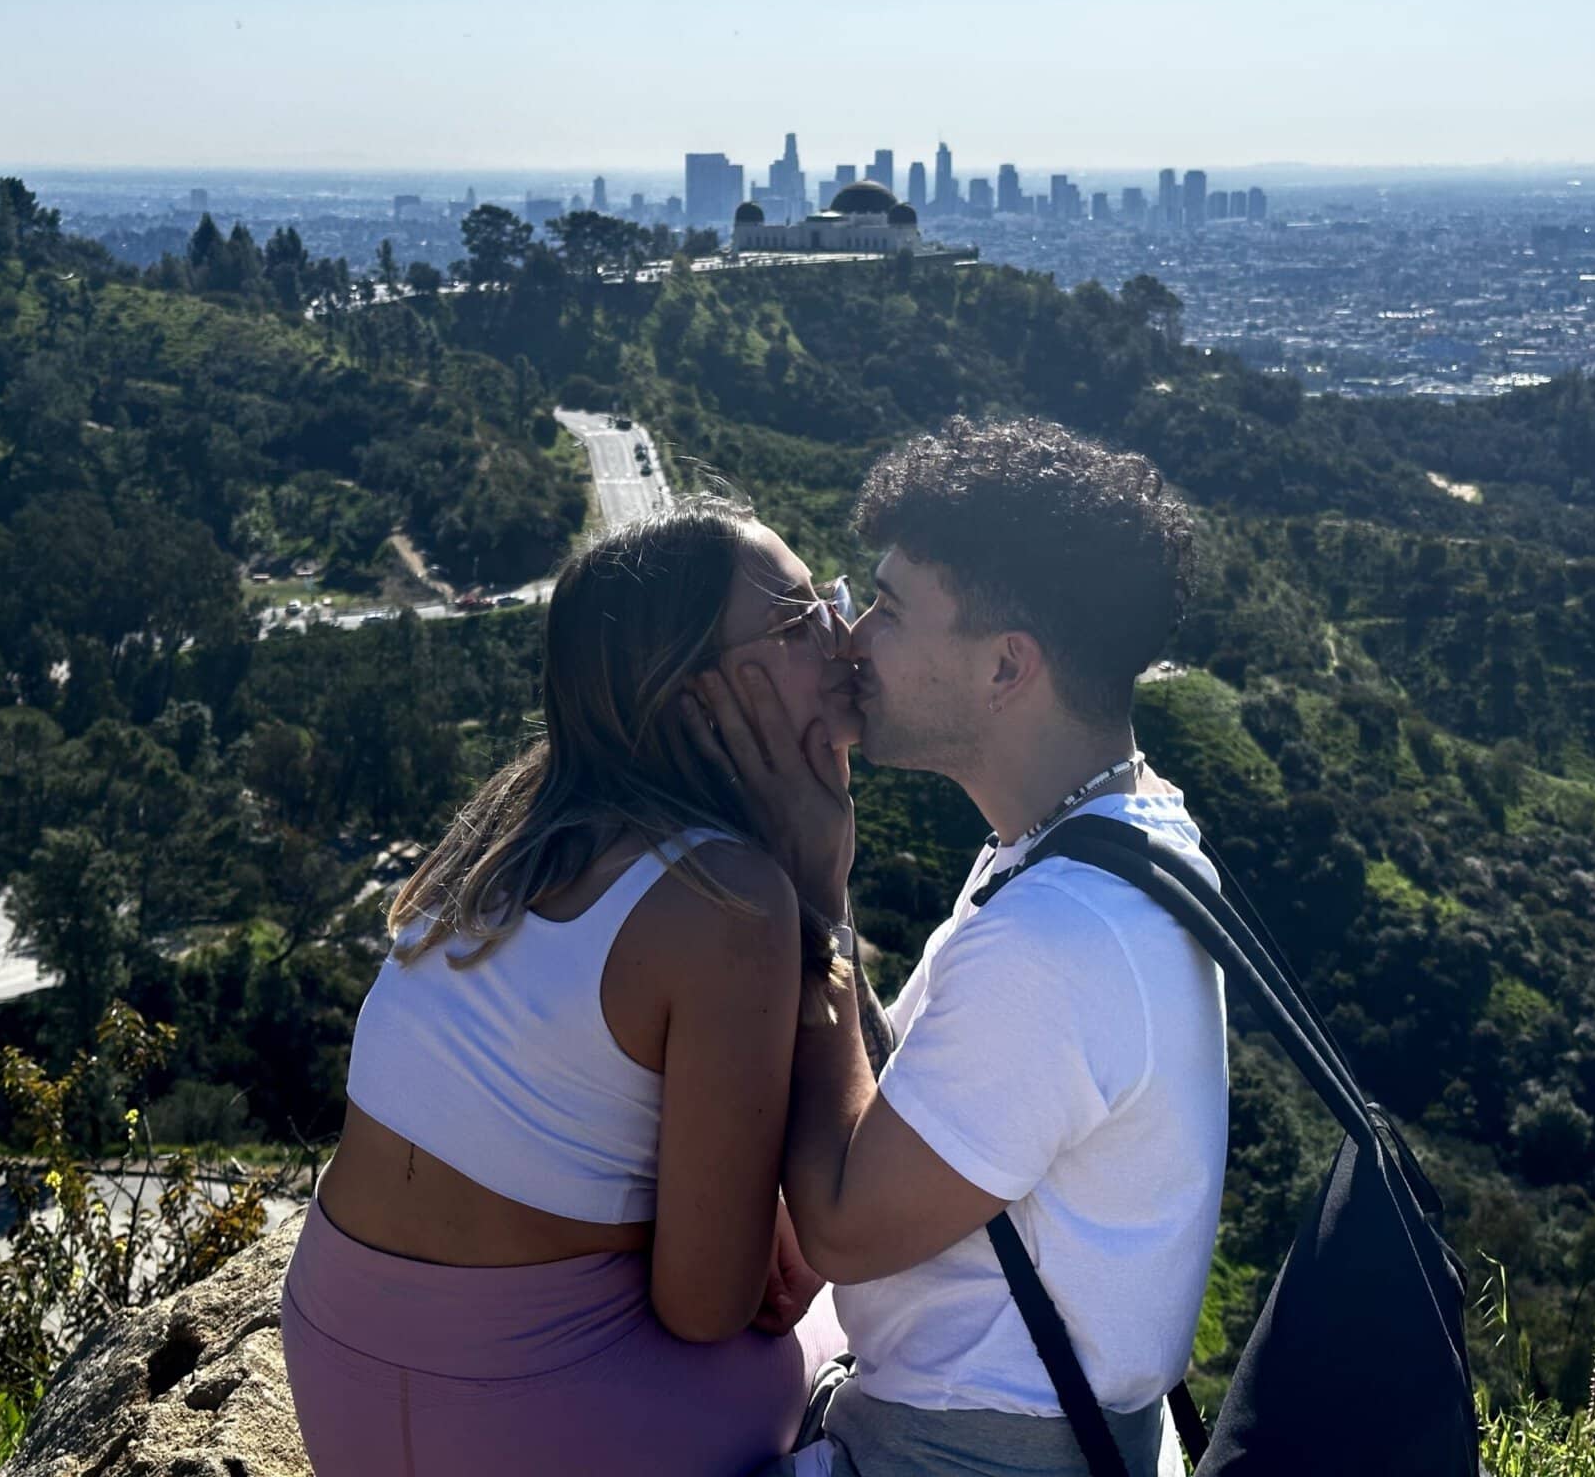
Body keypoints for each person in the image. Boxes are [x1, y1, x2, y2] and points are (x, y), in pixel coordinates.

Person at [281, 494, 865, 1476]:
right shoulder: (727, 900)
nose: (844, 635)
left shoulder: (514, 822)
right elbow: (715, 1306)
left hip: (339, 1373)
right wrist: (822, 897)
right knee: (883, 1324)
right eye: (801, 618)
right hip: (535, 1422)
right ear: (695, 695)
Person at [691, 418, 1225, 1477]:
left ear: (1004, 667)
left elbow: (841, 1227)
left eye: (886, 610)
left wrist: (809, 888)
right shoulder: (1104, 838)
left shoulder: (1062, 936)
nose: (849, 640)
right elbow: (914, 1100)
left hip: (964, 1453)